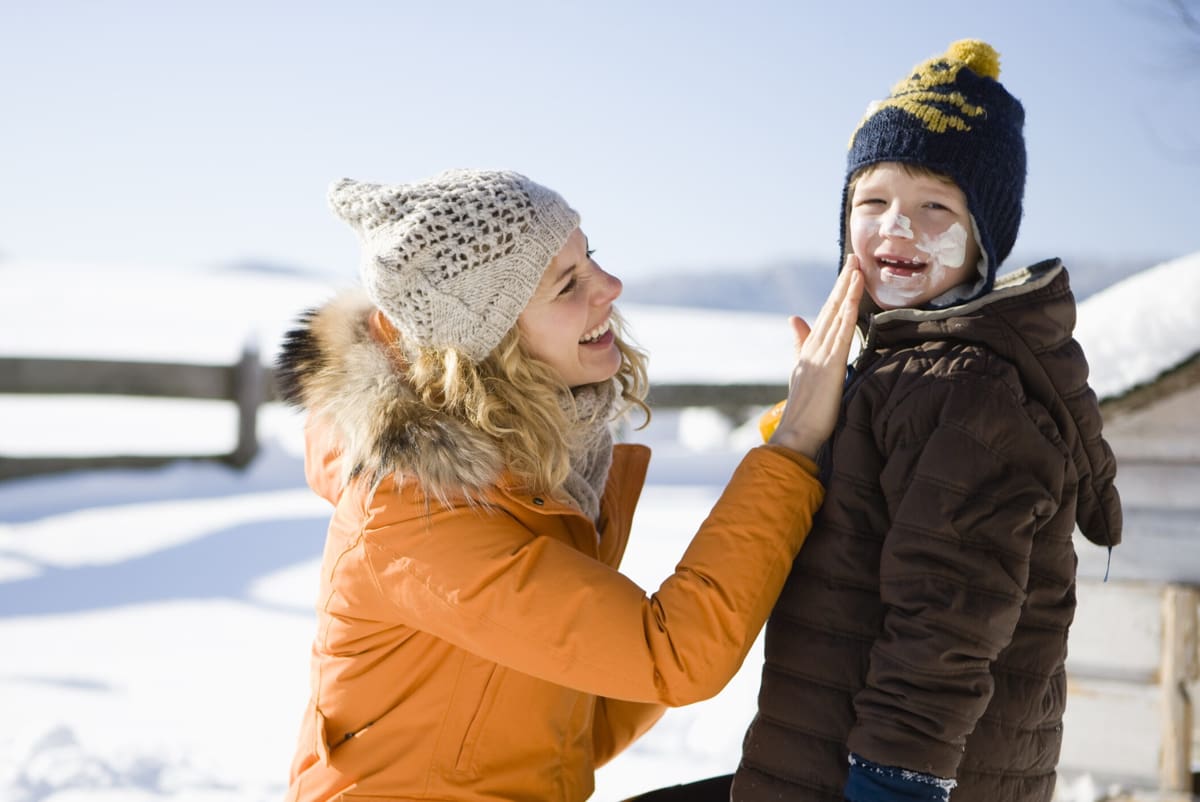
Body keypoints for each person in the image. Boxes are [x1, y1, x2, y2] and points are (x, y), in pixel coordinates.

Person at [274, 168, 864, 801]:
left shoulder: (537, 469)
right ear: (489, 344)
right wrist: (791, 448)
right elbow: (672, 656)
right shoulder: (416, 521)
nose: (610, 286)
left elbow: (575, 727)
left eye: (592, 258)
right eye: (567, 284)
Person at [724, 39, 1123, 802]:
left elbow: (948, 615)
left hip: (897, 774)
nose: (897, 227)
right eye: (872, 202)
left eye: (935, 206)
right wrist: (810, 426)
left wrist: (895, 783)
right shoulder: (903, 372)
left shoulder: (968, 391)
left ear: (984, 240)